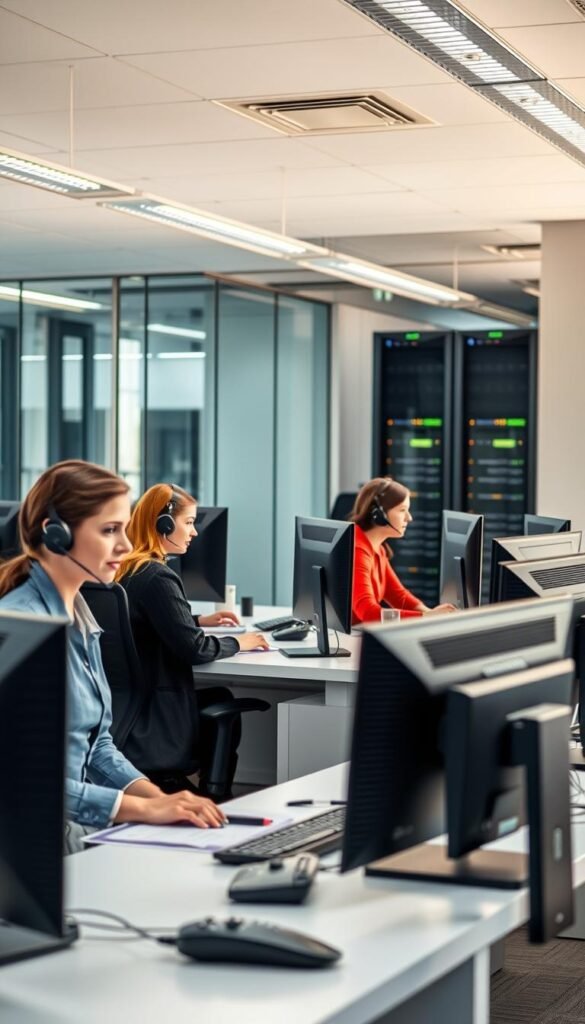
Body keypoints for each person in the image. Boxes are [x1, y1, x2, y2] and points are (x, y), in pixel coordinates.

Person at [0, 460, 225, 853]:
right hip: (30, 846)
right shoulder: (22, 628)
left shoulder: (81, 617)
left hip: (74, 825)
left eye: (124, 528)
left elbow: (98, 745)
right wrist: (140, 810)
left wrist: (160, 799)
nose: (125, 545)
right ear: (56, 534)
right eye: (109, 530)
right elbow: (20, 777)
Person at [115, 484, 268, 796]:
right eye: (188, 522)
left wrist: (196, 620)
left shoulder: (126, 568)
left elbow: (139, 621)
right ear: (164, 525)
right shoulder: (157, 576)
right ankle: (215, 796)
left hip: (128, 713)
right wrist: (240, 643)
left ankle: (204, 791)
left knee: (217, 696)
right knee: (222, 699)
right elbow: (194, 649)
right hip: (156, 714)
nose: (195, 532)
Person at [350, 477, 457, 624]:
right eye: (402, 510)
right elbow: (369, 613)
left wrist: (430, 614)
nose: (409, 517)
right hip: (348, 636)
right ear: (379, 515)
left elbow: (399, 596)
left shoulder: (378, 548)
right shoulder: (357, 550)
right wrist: (426, 617)